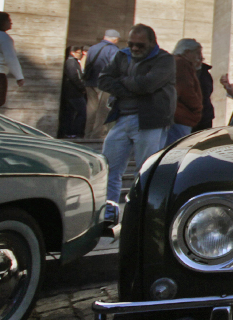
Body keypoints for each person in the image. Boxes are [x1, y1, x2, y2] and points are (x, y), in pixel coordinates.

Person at [98, 24, 176, 232]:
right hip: (122, 118)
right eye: (131, 44)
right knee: (110, 166)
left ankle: (140, 214)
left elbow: (148, 85)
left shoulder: (164, 60)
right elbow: (103, 79)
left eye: (139, 45)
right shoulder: (121, 56)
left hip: (150, 121)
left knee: (145, 170)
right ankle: (109, 210)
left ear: (152, 42)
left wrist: (123, 82)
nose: (134, 49)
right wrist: (131, 88)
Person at [84, 29, 121, 140]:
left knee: (91, 109)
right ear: (115, 39)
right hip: (104, 84)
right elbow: (115, 67)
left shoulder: (92, 48)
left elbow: (87, 64)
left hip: (90, 82)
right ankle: (98, 135)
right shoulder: (113, 49)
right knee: (103, 110)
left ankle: (88, 133)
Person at [168, 39, 204, 143]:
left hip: (177, 115)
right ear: (187, 52)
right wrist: (198, 107)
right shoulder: (181, 63)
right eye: (197, 53)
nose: (199, 57)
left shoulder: (175, 61)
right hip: (181, 116)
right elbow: (186, 90)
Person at [58, 45, 87, 138]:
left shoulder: (71, 62)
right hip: (74, 93)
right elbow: (75, 77)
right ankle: (75, 132)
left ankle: (69, 132)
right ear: (72, 52)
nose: (80, 55)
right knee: (82, 112)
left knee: (70, 113)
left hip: (72, 93)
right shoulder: (71, 62)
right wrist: (82, 88)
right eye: (79, 53)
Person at [196, 53, 215, 132]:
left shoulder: (202, 74)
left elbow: (204, 94)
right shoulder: (203, 73)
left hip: (201, 116)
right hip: (202, 114)